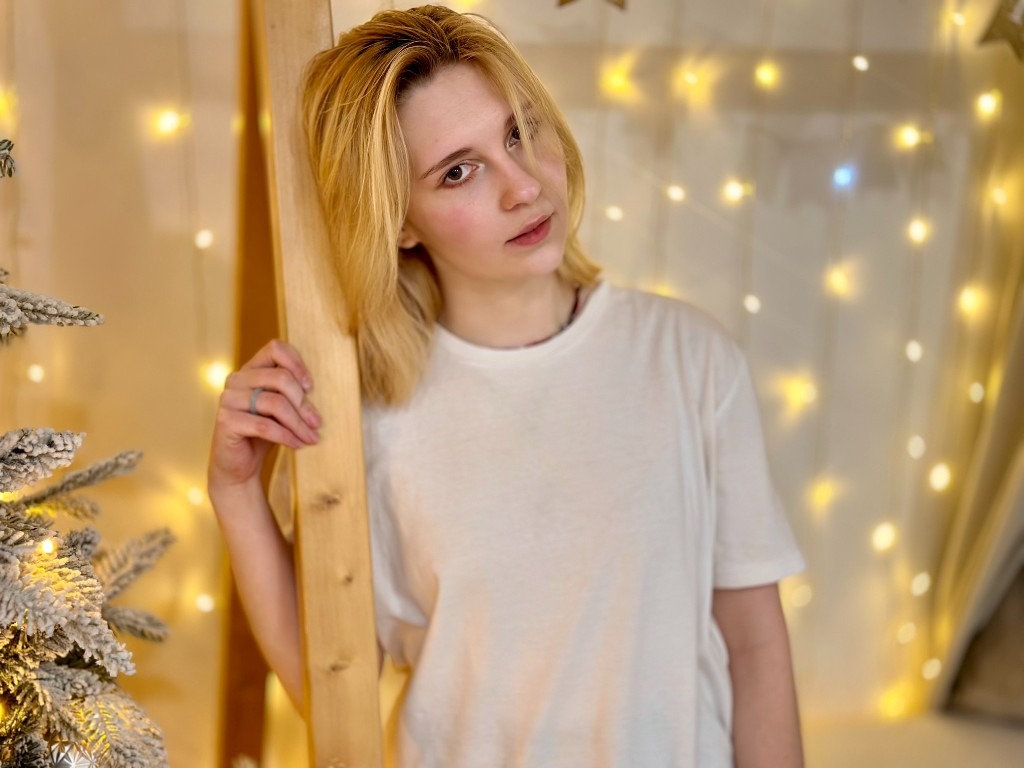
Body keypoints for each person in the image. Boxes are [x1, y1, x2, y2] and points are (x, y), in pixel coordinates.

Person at [208, 5, 806, 767]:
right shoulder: (363, 416)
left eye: (521, 132)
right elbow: (333, 688)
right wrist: (235, 494)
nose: (523, 186)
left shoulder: (691, 360)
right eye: (459, 171)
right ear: (398, 219)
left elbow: (754, 644)